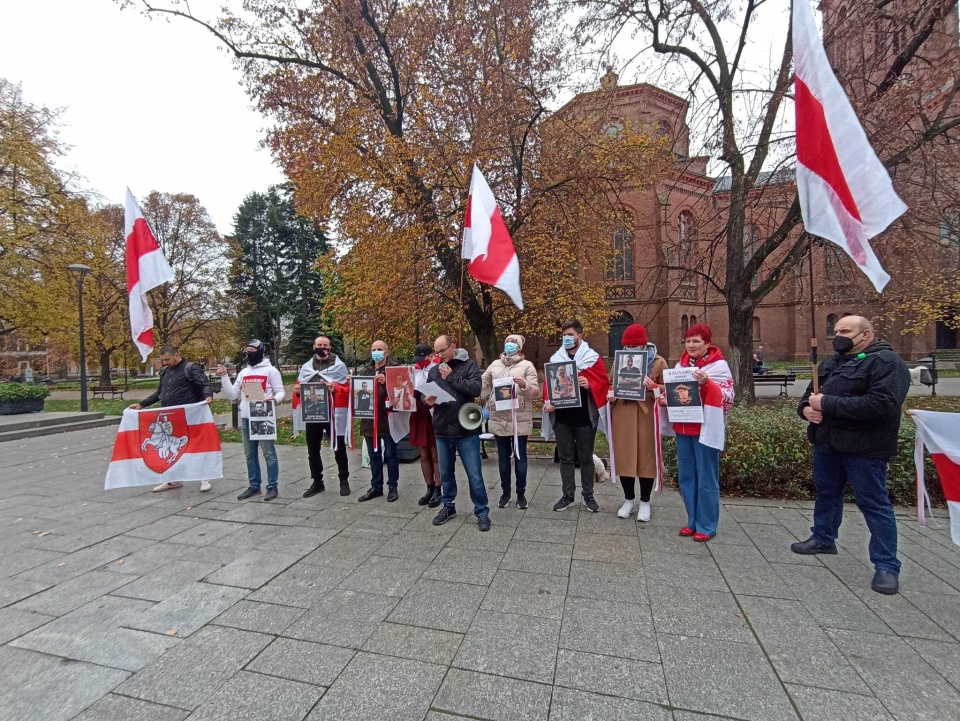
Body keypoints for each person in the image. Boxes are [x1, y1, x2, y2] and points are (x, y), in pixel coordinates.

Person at [792, 315, 910, 595]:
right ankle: (823, 537)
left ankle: (886, 565)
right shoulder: (832, 363)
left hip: (865, 448)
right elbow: (810, 395)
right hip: (828, 443)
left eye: (845, 331)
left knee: (873, 503)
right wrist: (805, 410)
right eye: (836, 331)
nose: (838, 336)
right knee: (827, 492)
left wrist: (828, 403)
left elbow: (883, 404)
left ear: (866, 335)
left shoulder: (887, 363)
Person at [660, 324, 734, 542]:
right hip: (683, 428)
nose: (691, 345)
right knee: (687, 477)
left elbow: (728, 395)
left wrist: (706, 383)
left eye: (696, 341)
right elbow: (675, 396)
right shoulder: (680, 366)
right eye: (688, 341)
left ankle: (707, 524)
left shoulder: (718, 367)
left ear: (707, 344)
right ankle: (692, 520)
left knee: (706, 478)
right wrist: (664, 399)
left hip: (705, 430)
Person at [542, 319, 610, 513]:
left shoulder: (592, 358)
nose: (566, 338)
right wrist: (548, 402)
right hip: (562, 419)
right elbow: (548, 385)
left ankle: (588, 496)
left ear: (580, 336)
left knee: (586, 458)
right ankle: (568, 495)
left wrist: (590, 385)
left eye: (570, 335)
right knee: (565, 458)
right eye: (564, 335)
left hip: (584, 419)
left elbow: (603, 382)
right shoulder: (556, 360)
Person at [425, 335, 490, 531]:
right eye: (436, 352)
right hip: (442, 428)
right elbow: (425, 393)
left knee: (474, 475)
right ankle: (448, 506)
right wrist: (426, 400)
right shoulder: (434, 370)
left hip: (465, 430)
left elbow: (476, 389)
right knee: (445, 474)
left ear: (452, 346)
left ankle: (482, 511)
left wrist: (451, 376)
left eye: (442, 350)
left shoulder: (469, 365)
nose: (440, 355)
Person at [131, 344, 214, 493]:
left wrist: (208, 396)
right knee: (171, 448)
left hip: (190, 416)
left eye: (167, 359)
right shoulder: (164, 372)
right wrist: (142, 404)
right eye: (163, 360)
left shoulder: (191, 368)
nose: (165, 363)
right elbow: (160, 392)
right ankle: (173, 479)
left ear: (176, 355)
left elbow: (204, 384)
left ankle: (205, 477)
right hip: (171, 418)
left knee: (196, 446)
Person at [608, 324, 667, 522]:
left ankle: (645, 502)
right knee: (625, 456)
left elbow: (669, 391)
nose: (631, 351)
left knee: (646, 457)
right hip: (623, 413)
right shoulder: (619, 361)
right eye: (628, 347)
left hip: (646, 414)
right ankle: (628, 500)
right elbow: (611, 383)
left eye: (635, 347)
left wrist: (655, 387)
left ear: (644, 345)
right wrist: (611, 394)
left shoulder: (658, 362)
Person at [218, 340, 286, 501]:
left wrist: (274, 399)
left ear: (260, 351)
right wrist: (224, 377)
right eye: (247, 350)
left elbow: (281, 391)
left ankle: (272, 486)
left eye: (252, 350)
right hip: (247, 417)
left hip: (263, 416)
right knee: (250, 454)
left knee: (269, 453)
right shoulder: (243, 372)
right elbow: (233, 395)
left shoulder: (271, 371)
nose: (249, 353)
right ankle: (254, 486)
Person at [481, 334, 541, 510]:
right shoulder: (494, 365)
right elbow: (482, 386)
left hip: (519, 419)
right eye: (508, 343)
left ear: (520, 348)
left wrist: (524, 385)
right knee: (502, 458)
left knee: (520, 458)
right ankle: (505, 492)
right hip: (499, 418)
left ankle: (521, 493)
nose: (509, 346)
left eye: (513, 344)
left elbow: (535, 391)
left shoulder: (527, 366)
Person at [296, 335, 352, 498]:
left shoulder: (339, 366)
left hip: (334, 413)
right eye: (319, 345)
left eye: (325, 345)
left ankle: (344, 480)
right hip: (313, 412)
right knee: (313, 450)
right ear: (314, 347)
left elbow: (348, 388)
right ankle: (317, 482)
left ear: (330, 347)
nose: (322, 347)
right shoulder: (307, 367)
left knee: (338, 447)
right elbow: (300, 386)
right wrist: (297, 391)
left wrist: (335, 388)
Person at [357, 340, 400, 503]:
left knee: (391, 454)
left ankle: (392, 486)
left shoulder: (394, 369)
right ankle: (376, 486)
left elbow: (401, 389)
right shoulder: (366, 370)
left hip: (388, 418)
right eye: (374, 349)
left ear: (386, 352)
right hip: (369, 419)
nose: (376, 352)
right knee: (373, 455)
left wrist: (386, 383)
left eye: (380, 349)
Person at [409, 343, 442, 508]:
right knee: (423, 453)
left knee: (436, 454)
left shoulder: (438, 368)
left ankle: (438, 488)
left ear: (430, 355)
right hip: (419, 413)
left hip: (434, 413)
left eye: (423, 358)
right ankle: (429, 487)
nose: (420, 362)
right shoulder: (414, 370)